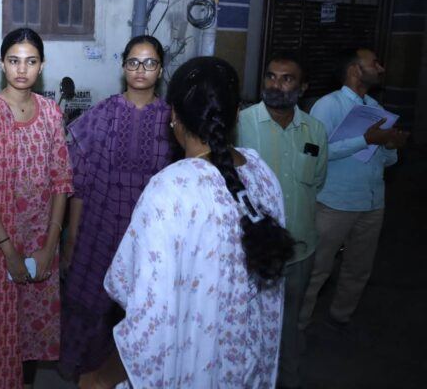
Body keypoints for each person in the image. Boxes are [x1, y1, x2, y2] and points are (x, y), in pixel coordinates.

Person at [100, 56, 294, 388]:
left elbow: (135, 292)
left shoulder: (171, 188)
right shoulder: (263, 174)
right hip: (244, 362)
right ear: (235, 114)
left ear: (173, 115)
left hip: (191, 365)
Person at [0, 27, 73, 388]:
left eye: (31, 61)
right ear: (1, 64)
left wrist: (51, 244)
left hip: (40, 239)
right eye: (14, 61)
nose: (22, 69)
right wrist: (8, 252)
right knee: (1, 328)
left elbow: (61, 181)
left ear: (42, 66)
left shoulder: (52, 113)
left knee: (31, 333)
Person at [58, 35, 174, 385]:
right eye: (134, 62)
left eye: (150, 63)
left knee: (143, 315)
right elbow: (80, 184)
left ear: (161, 70)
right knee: (91, 310)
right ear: (123, 67)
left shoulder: (173, 121)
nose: (141, 70)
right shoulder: (101, 115)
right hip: (99, 232)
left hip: (151, 240)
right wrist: (72, 238)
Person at [236, 52, 327, 388]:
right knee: (249, 325)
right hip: (253, 251)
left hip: (300, 247)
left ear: (302, 87)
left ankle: (287, 378)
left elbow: (317, 180)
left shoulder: (315, 130)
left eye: (287, 79)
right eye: (271, 77)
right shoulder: (241, 124)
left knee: (290, 324)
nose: (276, 85)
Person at [299, 48, 408, 329]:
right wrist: (365, 139)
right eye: (375, 63)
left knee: (359, 267)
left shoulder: (376, 108)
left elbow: (384, 160)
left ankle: (341, 316)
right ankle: (298, 324)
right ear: (355, 70)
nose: (381, 68)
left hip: (371, 202)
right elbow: (319, 152)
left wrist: (390, 147)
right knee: (318, 268)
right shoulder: (328, 106)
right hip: (334, 202)